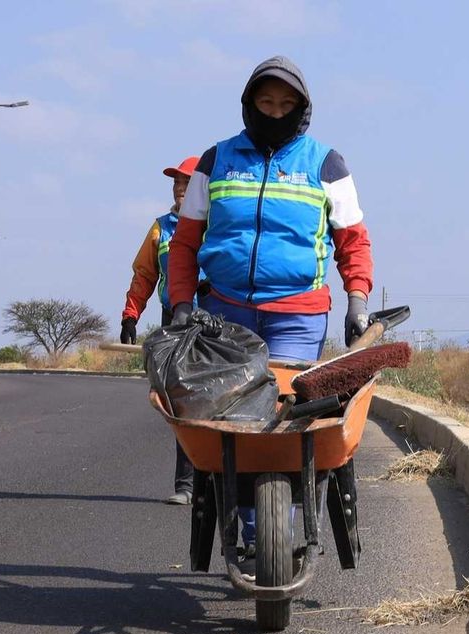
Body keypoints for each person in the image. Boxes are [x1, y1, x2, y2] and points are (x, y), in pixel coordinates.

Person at [166, 56, 374, 568]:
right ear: (249, 103)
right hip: (226, 314)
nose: (275, 111)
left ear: (302, 109)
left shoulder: (326, 164)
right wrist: (180, 303)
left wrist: (358, 298)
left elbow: (352, 241)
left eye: (286, 104)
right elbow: (186, 244)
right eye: (266, 101)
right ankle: (259, 531)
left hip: (297, 313)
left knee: (282, 420)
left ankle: (277, 523)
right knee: (236, 420)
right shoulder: (216, 162)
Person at [120, 156, 203, 505]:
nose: (180, 189)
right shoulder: (161, 229)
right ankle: (186, 484)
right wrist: (131, 314)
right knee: (181, 403)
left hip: (217, 322)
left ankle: (217, 483)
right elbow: (144, 275)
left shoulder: (221, 224)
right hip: (176, 322)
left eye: (187, 183)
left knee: (218, 401)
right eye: (176, 184)